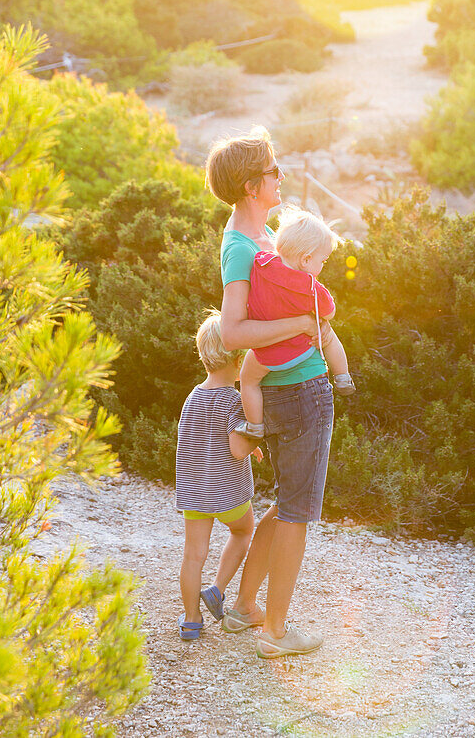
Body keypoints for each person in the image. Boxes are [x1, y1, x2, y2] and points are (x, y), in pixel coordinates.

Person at [205, 127, 334, 658]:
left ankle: (244, 609)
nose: (280, 177)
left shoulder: (260, 241)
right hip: (299, 394)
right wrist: (304, 323)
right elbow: (232, 332)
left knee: (284, 504)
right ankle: (278, 634)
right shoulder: (241, 247)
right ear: (251, 185)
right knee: (298, 514)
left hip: (287, 393)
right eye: (273, 171)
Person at [175, 311, 264, 641]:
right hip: (227, 494)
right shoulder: (234, 399)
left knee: (192, 555)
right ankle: (217, 589)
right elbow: (237, 450)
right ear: (239, 358)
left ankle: (190, 620)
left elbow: (199, 438)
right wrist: (253, 439)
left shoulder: (192, 397)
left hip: (195, 493)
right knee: (243, 532)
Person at [238, 206, 355, 439]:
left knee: (247, 380)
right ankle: (343, 377)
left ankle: (254, 426)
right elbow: (329, 312)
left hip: (266, 355)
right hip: (299, 350)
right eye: (323, 261)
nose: (322, 267)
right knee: (328, 336)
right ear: (306, 259)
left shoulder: (261, 263)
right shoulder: (311, 287)